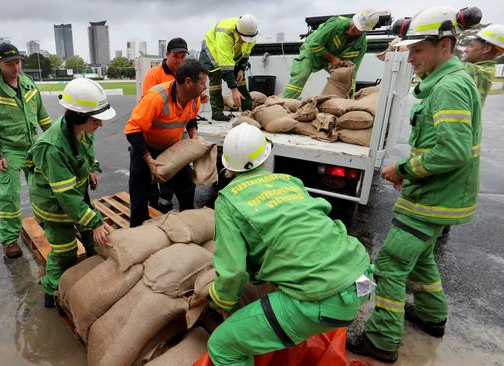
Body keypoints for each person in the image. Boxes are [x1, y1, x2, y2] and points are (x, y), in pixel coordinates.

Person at [346, 7, 482, 363]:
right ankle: (432, 316)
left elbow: (452, 151)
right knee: (421, 261)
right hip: (441, 195)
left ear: (445, 45)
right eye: (409, 49)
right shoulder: (449, 80)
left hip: (434, 198)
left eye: (418, 49)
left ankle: (381, 340)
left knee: (390, 266)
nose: (411, 56)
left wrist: (404, 170)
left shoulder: (449, 87)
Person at [206, 123, 373, 366]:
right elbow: (319, 217)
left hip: (323, 298)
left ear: (227, 164)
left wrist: (218, 300)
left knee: (222, 346)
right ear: (266, 155)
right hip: (363, 279)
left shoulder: (228, 200)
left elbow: (232, 273)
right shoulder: (289, 182)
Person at [26, 78, 115, 307]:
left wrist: (92, 169)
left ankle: (90, 277)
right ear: (79, 117)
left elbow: (87, 152)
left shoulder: (84, 130)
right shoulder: (52, 148)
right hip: (53, 205)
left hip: (74, 196)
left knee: (93, 239)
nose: (100, 125)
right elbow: (65, 197)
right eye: (96, 120)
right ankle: (51, 290)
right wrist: (95, 221)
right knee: (65, 250)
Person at [0, 43, 52, 258]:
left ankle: (43, 223)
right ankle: (9, 240)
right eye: (10, 63)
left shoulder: (28, 83)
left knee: (42, 188)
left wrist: (55, 138)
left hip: (34, 146)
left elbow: (43, 116)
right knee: (9, 196)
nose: (16, 67)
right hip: (9, 150)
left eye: (18, 62)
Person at [125, 59, 207, 227]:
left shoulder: (194, 98)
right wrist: (148, 160)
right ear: (188, 82)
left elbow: (191, 119)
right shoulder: (156, 97)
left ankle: (187, 225)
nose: (204, 88)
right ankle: (137, 233)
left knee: (187, 186)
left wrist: (194, 137)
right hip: (145, 150)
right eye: (202, 84)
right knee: (140, 197)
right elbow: (133, 130)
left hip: (171, 148)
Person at [283, 9, 381, 99]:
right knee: (302, 75)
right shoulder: (335, 24)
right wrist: (333, 59)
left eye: (357, 29)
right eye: (353, 24)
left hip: (333, 61)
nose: (352, 28)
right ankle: (286, 102)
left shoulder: (361, 46)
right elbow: (314, 45)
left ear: (364, 31)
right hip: (312, 53)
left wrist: (351, 98)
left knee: (346, 79)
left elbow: (353, 73)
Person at [199, 15, 258, 121]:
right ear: (238, 30)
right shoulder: (225, 34)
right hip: (212, 53)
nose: (246, 41)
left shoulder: (251, 34)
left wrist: (241, 68)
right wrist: (234, 90)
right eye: (244, 38)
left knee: (240, 78)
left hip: (232, 54)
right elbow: (225, 64)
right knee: (216, 76)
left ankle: (247, 107)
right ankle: (217, 112)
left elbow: (246, 53)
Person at [462, 24, 504, 106]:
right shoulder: (495, 70)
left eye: (471, 46)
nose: (466, 50)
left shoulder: (474, 71)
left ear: (486, 49)